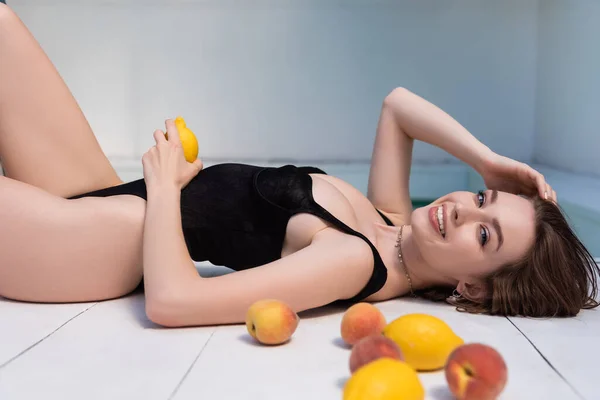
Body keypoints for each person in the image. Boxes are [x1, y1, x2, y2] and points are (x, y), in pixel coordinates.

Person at [0, 4, 597, 328]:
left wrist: (161, 185)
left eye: (484, 235)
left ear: (474, 287)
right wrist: (489, 161)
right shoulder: (387, 223)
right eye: (482, 201)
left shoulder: (350, 260)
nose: (461, 210)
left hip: (89, 246)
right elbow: (398, 107)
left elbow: (175, 303)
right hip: (100, 194)